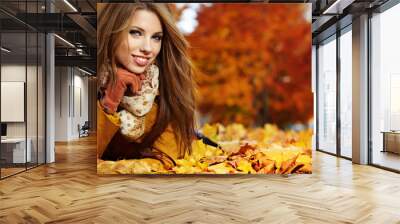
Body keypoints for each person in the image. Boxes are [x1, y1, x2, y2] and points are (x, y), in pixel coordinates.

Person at [97, 3, 197, 169]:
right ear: (111, 32)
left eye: (156, 37)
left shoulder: (167, 87)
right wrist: (109, 102)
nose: (148, 48)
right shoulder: (85, 75)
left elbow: (164, 160)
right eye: (136, 33)